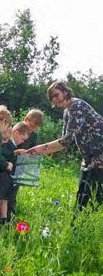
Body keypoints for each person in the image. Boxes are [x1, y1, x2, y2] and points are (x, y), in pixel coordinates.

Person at [26, 81, 103, 211]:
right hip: (89, 157)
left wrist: (42, 148)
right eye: (52, 98)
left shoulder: (77, 106)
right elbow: (65, 140)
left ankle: (83, 225)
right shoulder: (67, 111)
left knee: (92, 195)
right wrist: (46, 150)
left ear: (65, 91)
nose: (55, 100)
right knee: (83, 194)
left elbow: (67, 139)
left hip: (99, 155)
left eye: (56, 95)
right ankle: (80, 225)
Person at [8, 109, 44, 220]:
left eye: (35, 128)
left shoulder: (34, 136)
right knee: (2, 190)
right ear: (26, 119)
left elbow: (33, 150)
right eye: (31, 126)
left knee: (13, 192)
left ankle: (10, 214)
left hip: (20, 166)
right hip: (8, 163)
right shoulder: (15, 129)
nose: (32, 130)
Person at [0, 122, 30, 225]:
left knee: (5, 198)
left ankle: (4, 218)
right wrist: (14, 153)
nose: (22, 141)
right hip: (1, 175)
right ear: (16, 133)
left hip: (8, 177)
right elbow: (3, 154)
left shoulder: (13, 145)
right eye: (22, 139)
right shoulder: (7, 142)